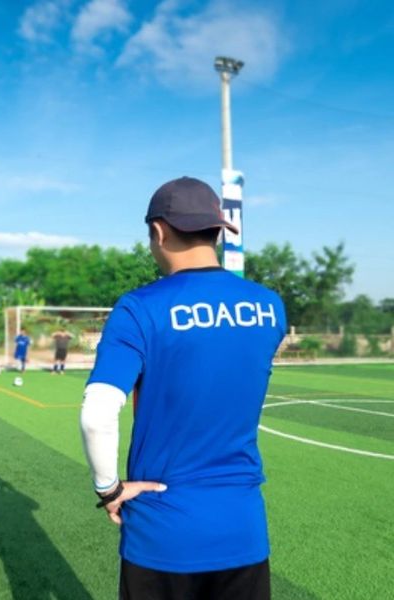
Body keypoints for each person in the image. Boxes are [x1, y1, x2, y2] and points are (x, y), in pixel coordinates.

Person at [80, 176, 287, 600]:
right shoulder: (269, 306)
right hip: (242, 528)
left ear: (158, 231)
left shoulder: (138, 308)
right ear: (218, 230)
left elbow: (97, 414)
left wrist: (109, 489)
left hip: (162, 535)